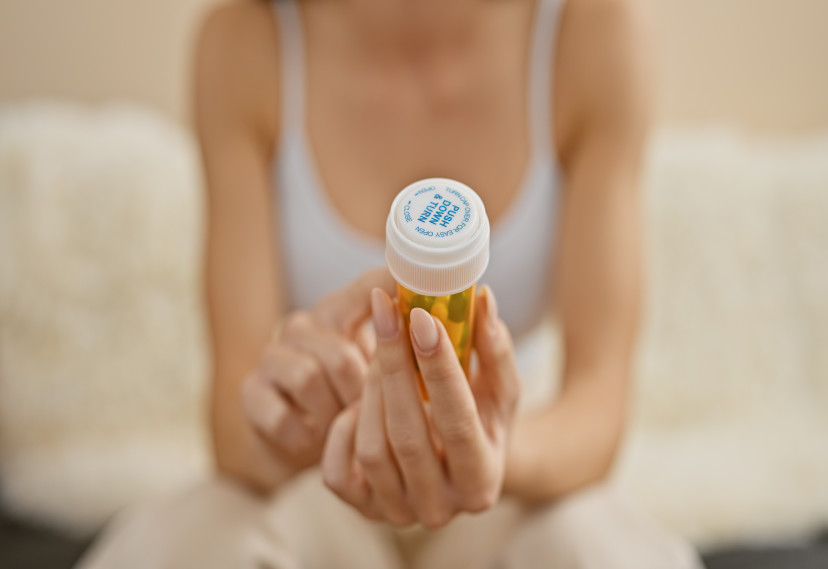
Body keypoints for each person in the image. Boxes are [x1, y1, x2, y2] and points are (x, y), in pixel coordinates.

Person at [78, 0, 702, 567]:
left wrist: (483, 453)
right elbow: (233, 428)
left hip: (519, 457)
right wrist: (292, 419)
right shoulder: (245, 41)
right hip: (320, 472)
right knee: (200, 546)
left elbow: (598, 406)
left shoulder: (595, 34)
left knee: (585, 546)